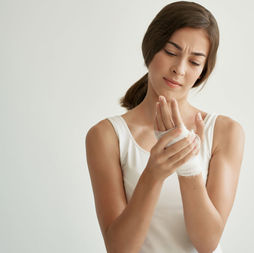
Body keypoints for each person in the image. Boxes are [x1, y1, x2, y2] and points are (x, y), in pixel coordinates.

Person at [85, 1, 245, 252]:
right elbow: (119, 248)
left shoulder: (225, 132)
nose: (179, 69)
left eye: (194, 62)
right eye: (171, 52)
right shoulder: (106, 136)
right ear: (151, 48)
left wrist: (189, 166)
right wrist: (154, 173)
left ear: (203, 71)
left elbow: (207, 243)